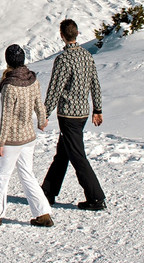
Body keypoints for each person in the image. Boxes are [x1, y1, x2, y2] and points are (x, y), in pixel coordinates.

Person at [0, 44, 53, 227]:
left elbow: (6, 118)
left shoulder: (10, 86)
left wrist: (0, 142)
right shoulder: (32, 79)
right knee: (27, 174)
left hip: (12, 139)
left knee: (1, 177)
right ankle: (43, 213)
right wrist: (42, 120)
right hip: (28, 137)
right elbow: (38, 104)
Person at [40, 18, 107, 211]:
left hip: (68, 114)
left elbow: (54, 89)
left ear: (62, 35)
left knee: (77, 155)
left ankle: (96, 197)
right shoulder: (87, 56)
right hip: (83, 113)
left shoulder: (63, 59)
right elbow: (95, 83)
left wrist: (44, 114)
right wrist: (98, 109)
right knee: (63, 152)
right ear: (77, 33)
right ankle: (47, 191)